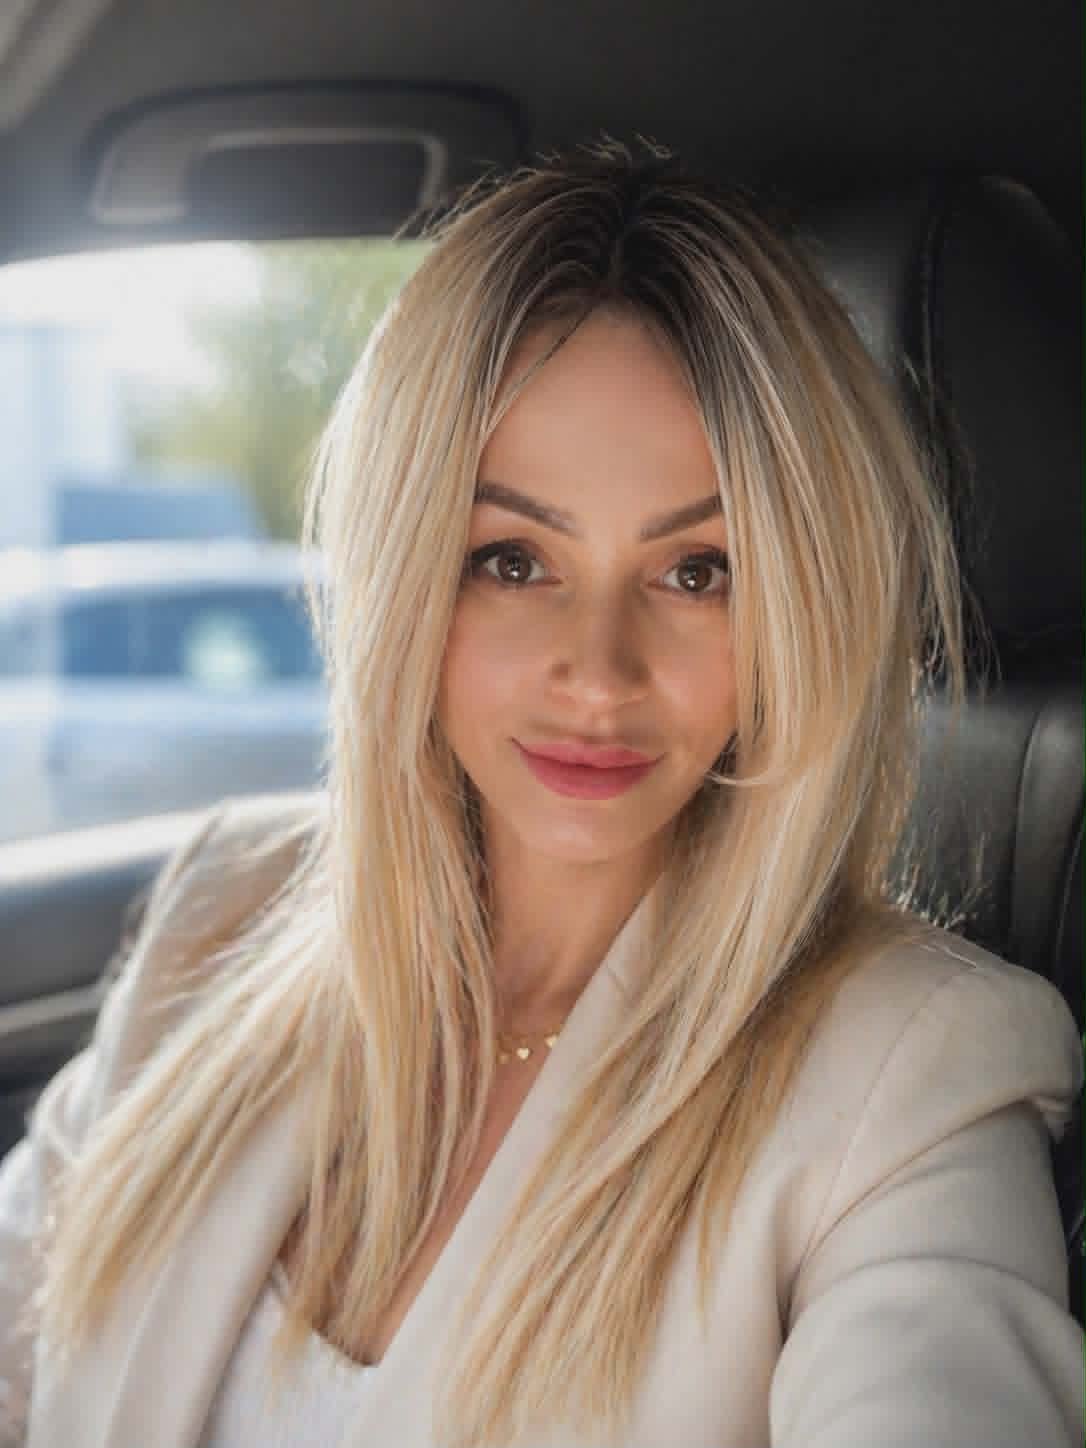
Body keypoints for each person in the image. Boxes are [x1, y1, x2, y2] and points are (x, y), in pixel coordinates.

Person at [0, 140, 1081, 1448]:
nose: (596, 672)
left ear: (801, 606)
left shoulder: (911, 1074)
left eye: (699, 572)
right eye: (511, 558)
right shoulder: (224, 906)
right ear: (404, 570)